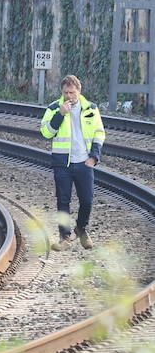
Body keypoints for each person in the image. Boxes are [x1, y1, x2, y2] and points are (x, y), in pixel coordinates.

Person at [40, 74, 105, 249]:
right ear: (62, 92)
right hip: (62, 163)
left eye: (72, 92)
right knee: (63, 200)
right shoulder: (54, 108)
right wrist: (60, 114)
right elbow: (46, 132)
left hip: (84, 162)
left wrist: (94, 157)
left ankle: (81, 229)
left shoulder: (91, 108)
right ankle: (65, 237)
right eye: (66, 93)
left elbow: (99, 133)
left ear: (79, 91)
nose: (69, 96)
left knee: (87, 201)